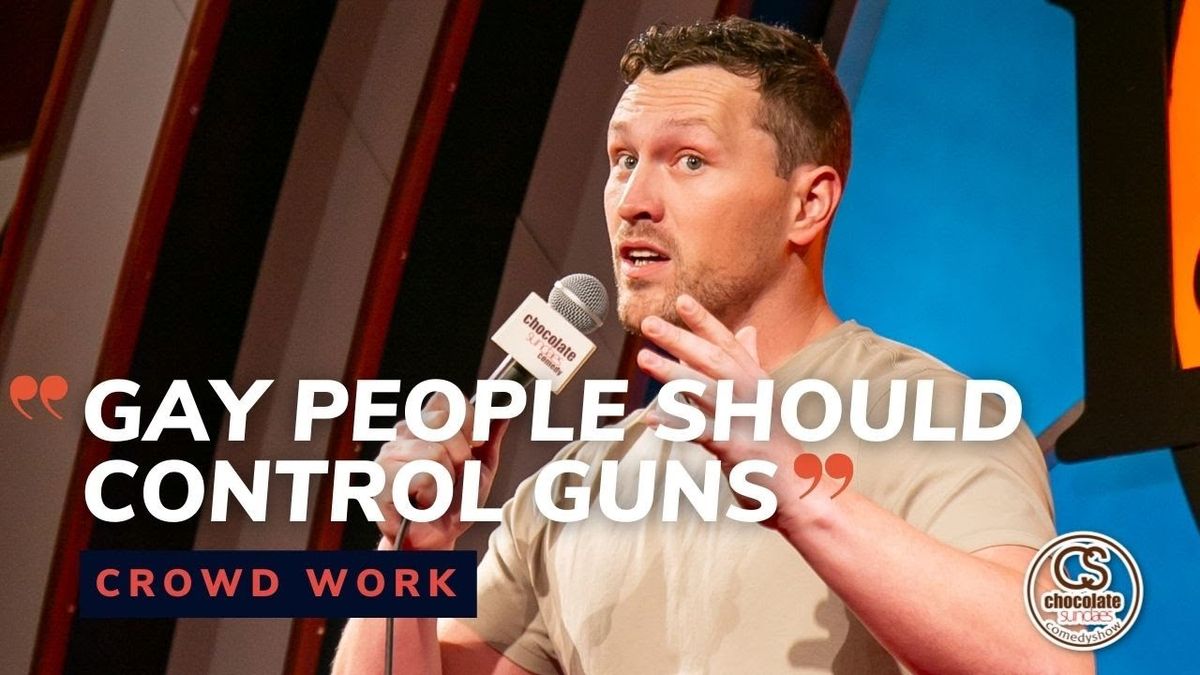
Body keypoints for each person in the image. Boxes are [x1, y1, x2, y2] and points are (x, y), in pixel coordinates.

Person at [335, 18, 1093, 674]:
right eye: (623, 160)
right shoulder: (578, 486)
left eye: (688, 160)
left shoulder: (937, 418)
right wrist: (411, 552)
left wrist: (795, 491)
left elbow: (1049, 658)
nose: (634, 201)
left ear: (808, 203)